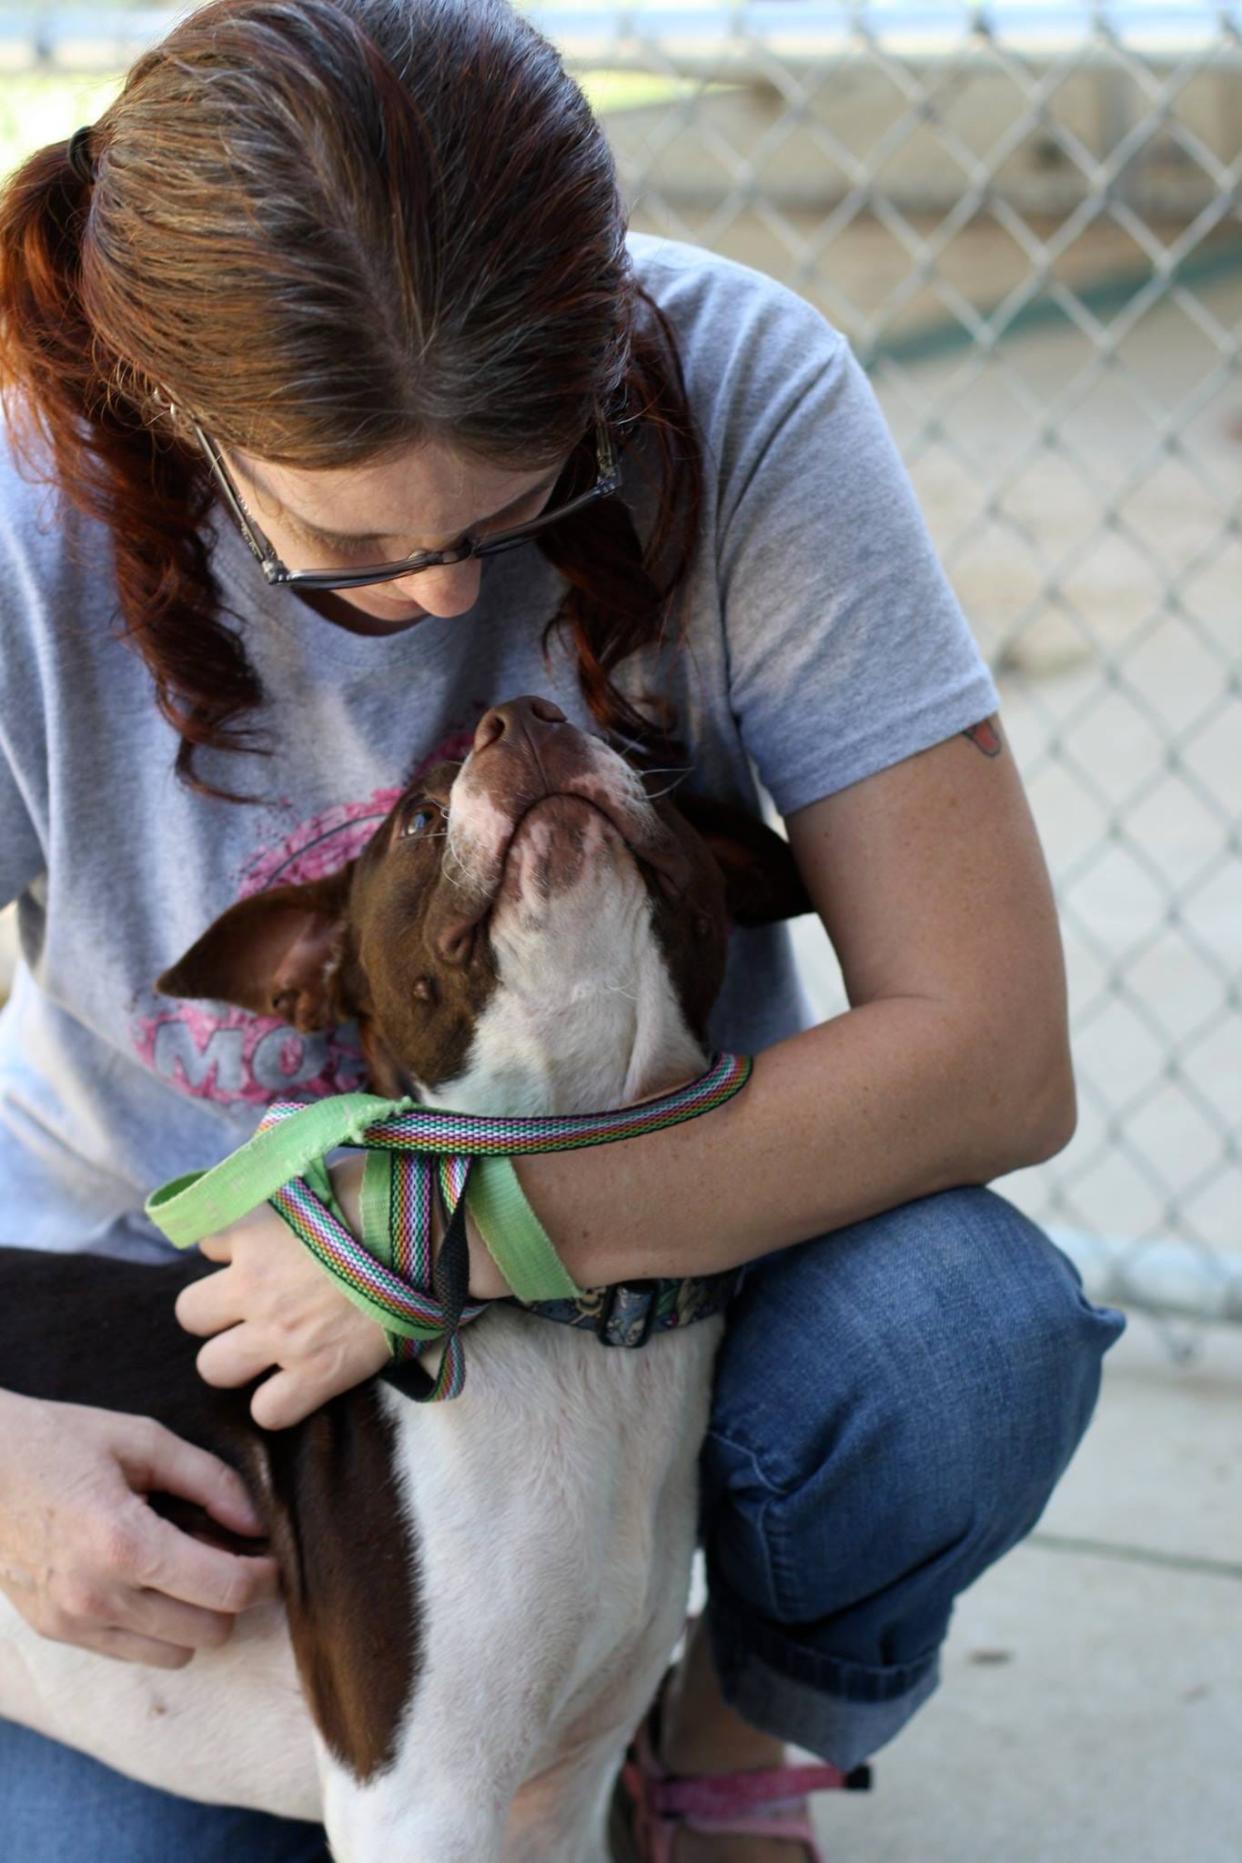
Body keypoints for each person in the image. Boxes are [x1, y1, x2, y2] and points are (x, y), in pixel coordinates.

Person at [0, 0, 1125, 1857]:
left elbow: (994, 1049)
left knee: (961, 1338)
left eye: (527, 501)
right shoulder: (26, 502)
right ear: (182, 414)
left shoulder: (742, 382)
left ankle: (729, 1746)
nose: (450, 591)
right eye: (351, 554)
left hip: (682, 1252)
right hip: (153, 1330)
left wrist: (448, 1226)